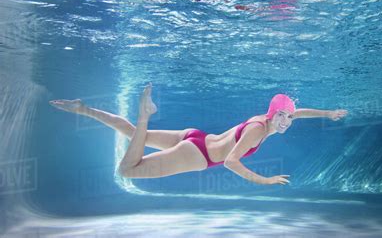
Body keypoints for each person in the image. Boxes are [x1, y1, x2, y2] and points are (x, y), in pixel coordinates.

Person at [49, 83, 348, 185]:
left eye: (289, 117)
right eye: (282, 116)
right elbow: (231, 161)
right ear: (272, 114)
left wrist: (327, 114)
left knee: (129, 133)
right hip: (198, 154)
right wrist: (265, 179)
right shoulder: (258, 131)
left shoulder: (266, 120)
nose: (286, 121)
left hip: (195, 137)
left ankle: (82, 109)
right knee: (126, 171)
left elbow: (301, 111)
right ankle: (144, 115)